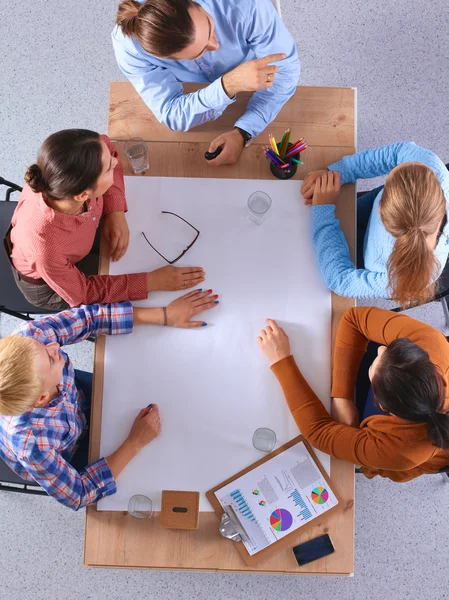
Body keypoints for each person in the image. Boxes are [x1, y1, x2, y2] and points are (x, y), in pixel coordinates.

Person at [0, 289, 219, 510]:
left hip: (77, 396)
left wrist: (164, 314)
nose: (54, 345)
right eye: (50, 359)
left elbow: (89, 319)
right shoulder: (32, 446)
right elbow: (79, 493)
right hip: (70, 452)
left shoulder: (30, 338)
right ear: (42, 397)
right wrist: (135, 442)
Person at [6, 129, 205, 310]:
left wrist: (115, 211)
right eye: (109, 168)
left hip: (75, 243)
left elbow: (109, 146)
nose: (117, 163)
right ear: (83, 195)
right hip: (51, 285)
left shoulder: (87, 152)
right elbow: (84, 294)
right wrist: (152, 281)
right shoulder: (45, 247)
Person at [257, 308, 449, 482]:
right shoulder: (432, 342)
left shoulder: (401, 451)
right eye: (390, 348)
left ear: (382, 406)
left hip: (396, 450)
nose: (382, 348)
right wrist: (342, 398)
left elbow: (318, 433)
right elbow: (354, 319)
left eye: (380, 358)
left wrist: (281, 361)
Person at [112, 0, 300, 166]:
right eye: (201, 52)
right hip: (200, 91)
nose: (216, 45)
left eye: (210, 26)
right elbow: (171, 113)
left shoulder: (245, 4)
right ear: (167, 57)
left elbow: (286, 71)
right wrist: (229, 85)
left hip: (254, 70)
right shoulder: (130, 47)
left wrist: (245, 129)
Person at [301, 142, 449, 306]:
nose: (415, 160)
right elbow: (395, 154)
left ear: (381, 210)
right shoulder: (431, 169)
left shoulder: (410, 274)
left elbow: (341, 281)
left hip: (365, 260)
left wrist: (323, 209)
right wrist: (336, 174)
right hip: (373, 218)